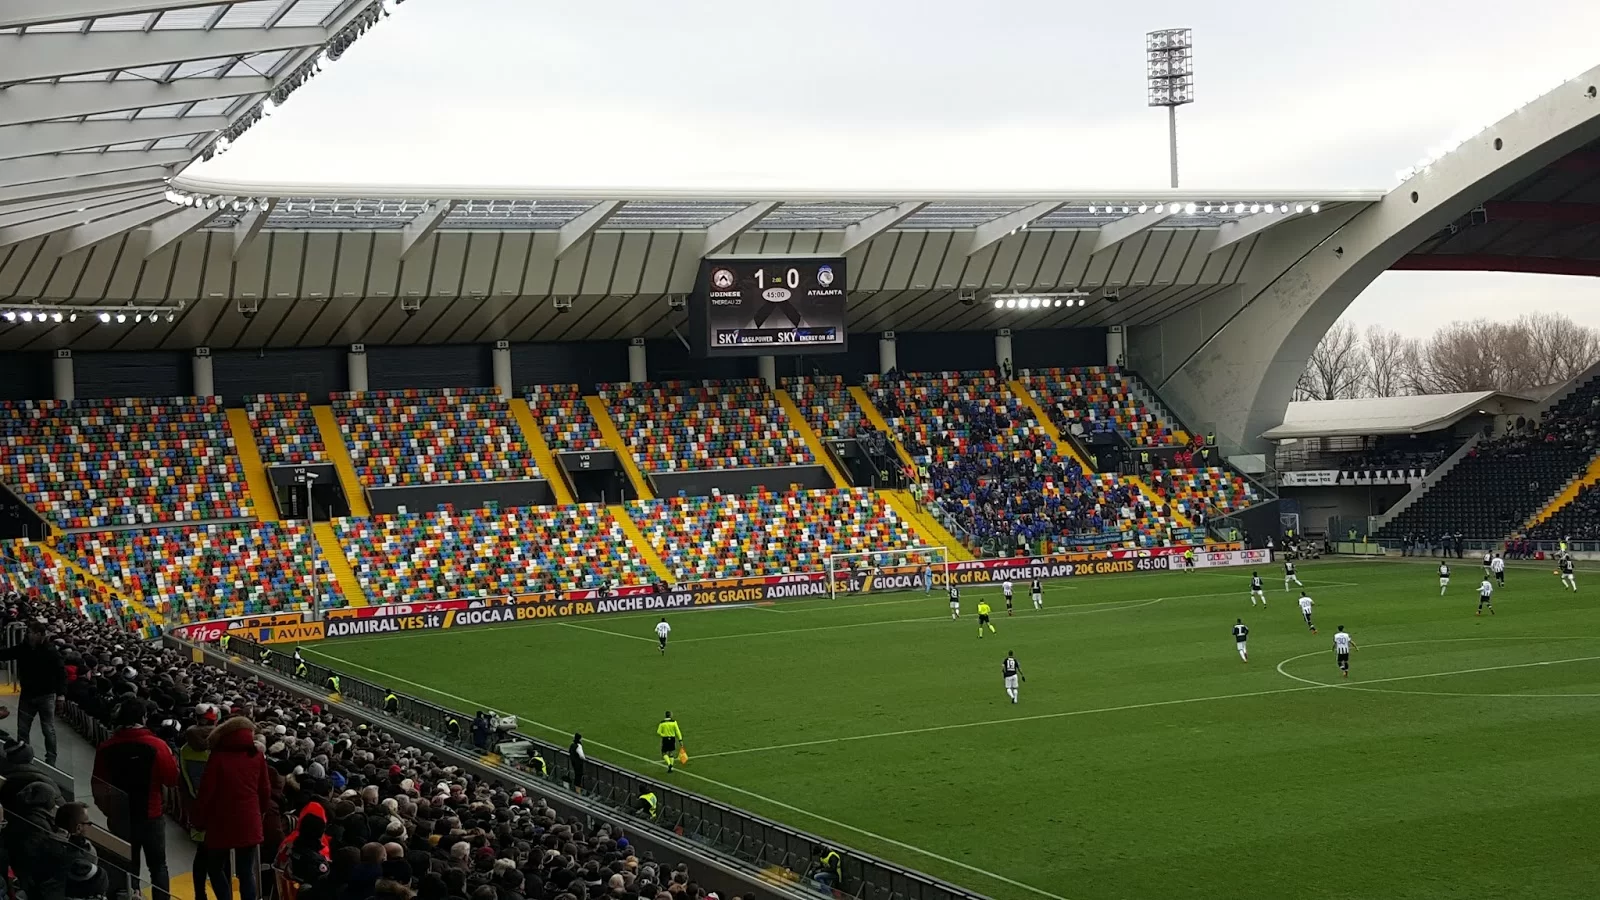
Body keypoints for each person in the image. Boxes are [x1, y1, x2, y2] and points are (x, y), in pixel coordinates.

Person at [92, 698, 178, 900]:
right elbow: (172, 778)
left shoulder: (106, 747)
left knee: (127, 867)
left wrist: (110, 810)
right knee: (158, 866)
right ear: (144, 718)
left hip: (120, 817)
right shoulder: (158, 745)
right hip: (151, 815)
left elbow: (98, 785)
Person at [194, 716, 273, 900]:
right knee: (246, 872)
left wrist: (199, 820)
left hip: (220, 822)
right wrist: (259, 812)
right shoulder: (256, 756)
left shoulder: (218, 757)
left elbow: (205, 793)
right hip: (249, 821)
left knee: (215, 868)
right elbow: (265, 790)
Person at [0, 620, 65, 765]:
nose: (28, 635)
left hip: (46, 695)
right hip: (27, 694)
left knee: (48, 729)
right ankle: (23, 756)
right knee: (23, 729)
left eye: (30, 633)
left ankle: (51, 760)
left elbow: (61, 673)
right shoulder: (24, 648)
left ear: (39, 634)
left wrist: (61, 695)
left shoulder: (51, 651)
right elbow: (6, 654)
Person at [177, 723, 213, 900]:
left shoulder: (184, 749)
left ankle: (200, 893)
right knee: (218, 862)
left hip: (195, 807)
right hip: (215, 811)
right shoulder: (213, 753)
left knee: (201, 856)